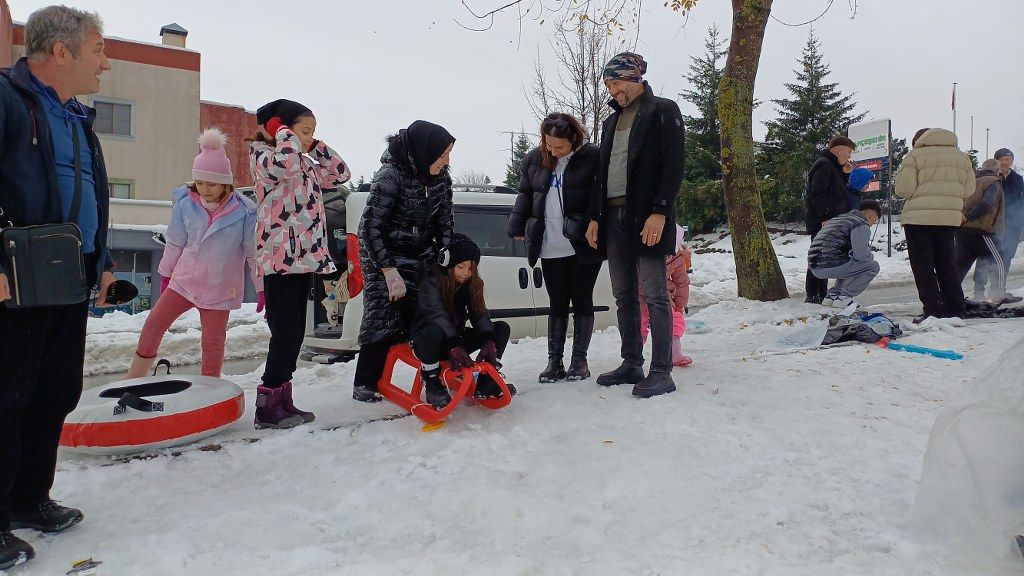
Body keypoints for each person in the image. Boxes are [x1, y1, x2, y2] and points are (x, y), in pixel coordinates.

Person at [0, 6, 114, 569]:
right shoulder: (6, 99)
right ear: (62, 51)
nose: (106, 64)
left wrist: (103, 259)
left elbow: (89, 192)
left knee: (54, 392)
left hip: (68, 275)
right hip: (16, 279)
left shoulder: (76, 117)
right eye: (98, 50)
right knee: (6, 398)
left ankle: (28, 500)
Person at [585, 52, 685, 398]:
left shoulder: (663, 110)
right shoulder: (611, 122)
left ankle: (662, 371)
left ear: (633, 78)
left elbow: (674, 165)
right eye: (609, 85)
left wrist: (660, 211)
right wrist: (596, 217)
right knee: (623, 294)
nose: (612, 91)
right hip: (613, 217)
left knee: (656, 294)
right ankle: (632, 363)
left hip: (647, 216)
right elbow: (603, 172)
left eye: (615, 83)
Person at [124, 129, 260, 379]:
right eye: (200, 182)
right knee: (154, 324)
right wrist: (165, 274)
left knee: (213, 342)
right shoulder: (185, 202)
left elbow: (253, 255)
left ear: (225, 183)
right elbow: (175, 242)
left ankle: (210, 388)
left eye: (212, 183)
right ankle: (135, 376)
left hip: (221, 288)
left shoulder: (245, 212)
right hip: (185, 280)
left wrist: (262, 289)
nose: (205, 189)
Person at [250, 99, 350, 428]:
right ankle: (267, 405)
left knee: (294, 333)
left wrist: (316, 145)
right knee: (284, 332)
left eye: (312, 133)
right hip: (279, 259)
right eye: (304, 131)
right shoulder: (264, 156)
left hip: (303, 259)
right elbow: (284, 167)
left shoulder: (304, 162)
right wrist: (284, 135)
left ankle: (283, 398)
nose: (308, 138)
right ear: (281, 127)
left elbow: (340, 174)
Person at [352, 121, 455, 402]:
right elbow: (369, 228)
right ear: (425, 151)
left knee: (424, 316)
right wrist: (387, 269)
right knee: (382, 317)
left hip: (421, 252)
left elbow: (444, 215)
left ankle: (432, 379)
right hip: (385, 253)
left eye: (448, 154)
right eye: (442, 154)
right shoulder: (391, 175)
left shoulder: (440, 177)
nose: (446, 161)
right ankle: (366, 381)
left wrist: (445, 245)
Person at [507, 113, 602, 383]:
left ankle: (579, 361)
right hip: (549, 243)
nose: (553, 150)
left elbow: (600, 194)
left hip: (581, 241)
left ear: (574, 139)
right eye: (549, 144)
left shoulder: (592, 156)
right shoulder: (535, 159)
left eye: (559, 146)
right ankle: (554, 361)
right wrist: (517, 225)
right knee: (557, 302)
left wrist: (595, 221)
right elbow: (525, 194)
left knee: (582, 298)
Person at [410, 234, 514, 409]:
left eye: (471, 268)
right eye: (461, 267)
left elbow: (479, 314)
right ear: (447, 263)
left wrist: (488, 341)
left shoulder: (472, 283)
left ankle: (486, 381)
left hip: (455, 342)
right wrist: (454, 344)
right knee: (435, 331)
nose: (466, 273)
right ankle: (432, 382)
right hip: (427, 342)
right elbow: (438, 316)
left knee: (500, 329)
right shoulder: (431, 283)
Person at [895, 127, 974, 322]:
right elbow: (969, 190)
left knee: (923, 266)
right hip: (948, 219)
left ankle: (933, 310)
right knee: (947, 263)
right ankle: (956, 308)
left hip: (918, 219)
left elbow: (903, 189)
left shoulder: (914, 156)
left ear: (918, 140)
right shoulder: (962, 157)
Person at [804, 136, 857, 304]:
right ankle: (813, 294)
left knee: (825, 257)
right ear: (839, 149)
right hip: (823, 221)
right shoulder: (824, 164)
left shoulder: (832, 166)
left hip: (828, 220)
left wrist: (845, 174)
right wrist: (825, 217)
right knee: (819, 257)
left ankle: (820, 293)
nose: (849, 157)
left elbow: (836, 191)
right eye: (848, 152)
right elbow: (818, 193)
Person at [807, 200, 883, 309]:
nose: (871, 225)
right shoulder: (860, 224)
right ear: (871, 216)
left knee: (849, 261)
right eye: (874, 222)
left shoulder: (839, 219)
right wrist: (870, 257)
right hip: (829, 264)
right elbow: (861, 255)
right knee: (873, 266)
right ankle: (844, 297)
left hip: (814, 267)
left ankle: (832, 296)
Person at [973, 148, 1023, 303]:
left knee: (1005, 259)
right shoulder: (989, 178)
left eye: (1008, 159)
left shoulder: (1017, 179)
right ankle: (978, 292)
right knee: (984, 259)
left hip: (1011, 226)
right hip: (992, 226)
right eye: (1002, 160)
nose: (1005, 163)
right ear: (996, 161)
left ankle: (999, 293)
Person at [640, 224, 692, 367]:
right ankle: (635, 355)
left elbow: (681, 282)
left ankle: (675, 354)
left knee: (673, 321)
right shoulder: (641, 253)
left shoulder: (677, 256)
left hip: (663, 294)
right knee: (638, 323)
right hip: (639, 294)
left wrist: (680, 306)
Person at [956, 159, 1006, 300]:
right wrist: (969, 216)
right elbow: (987, 203)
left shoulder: (971, 181)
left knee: (959, 266)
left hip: (962, 231)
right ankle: (999, 294)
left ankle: (947, 297)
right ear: (997, 170)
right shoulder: (993, 181)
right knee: (999, 261)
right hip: (983, 230)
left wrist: (963, 217)